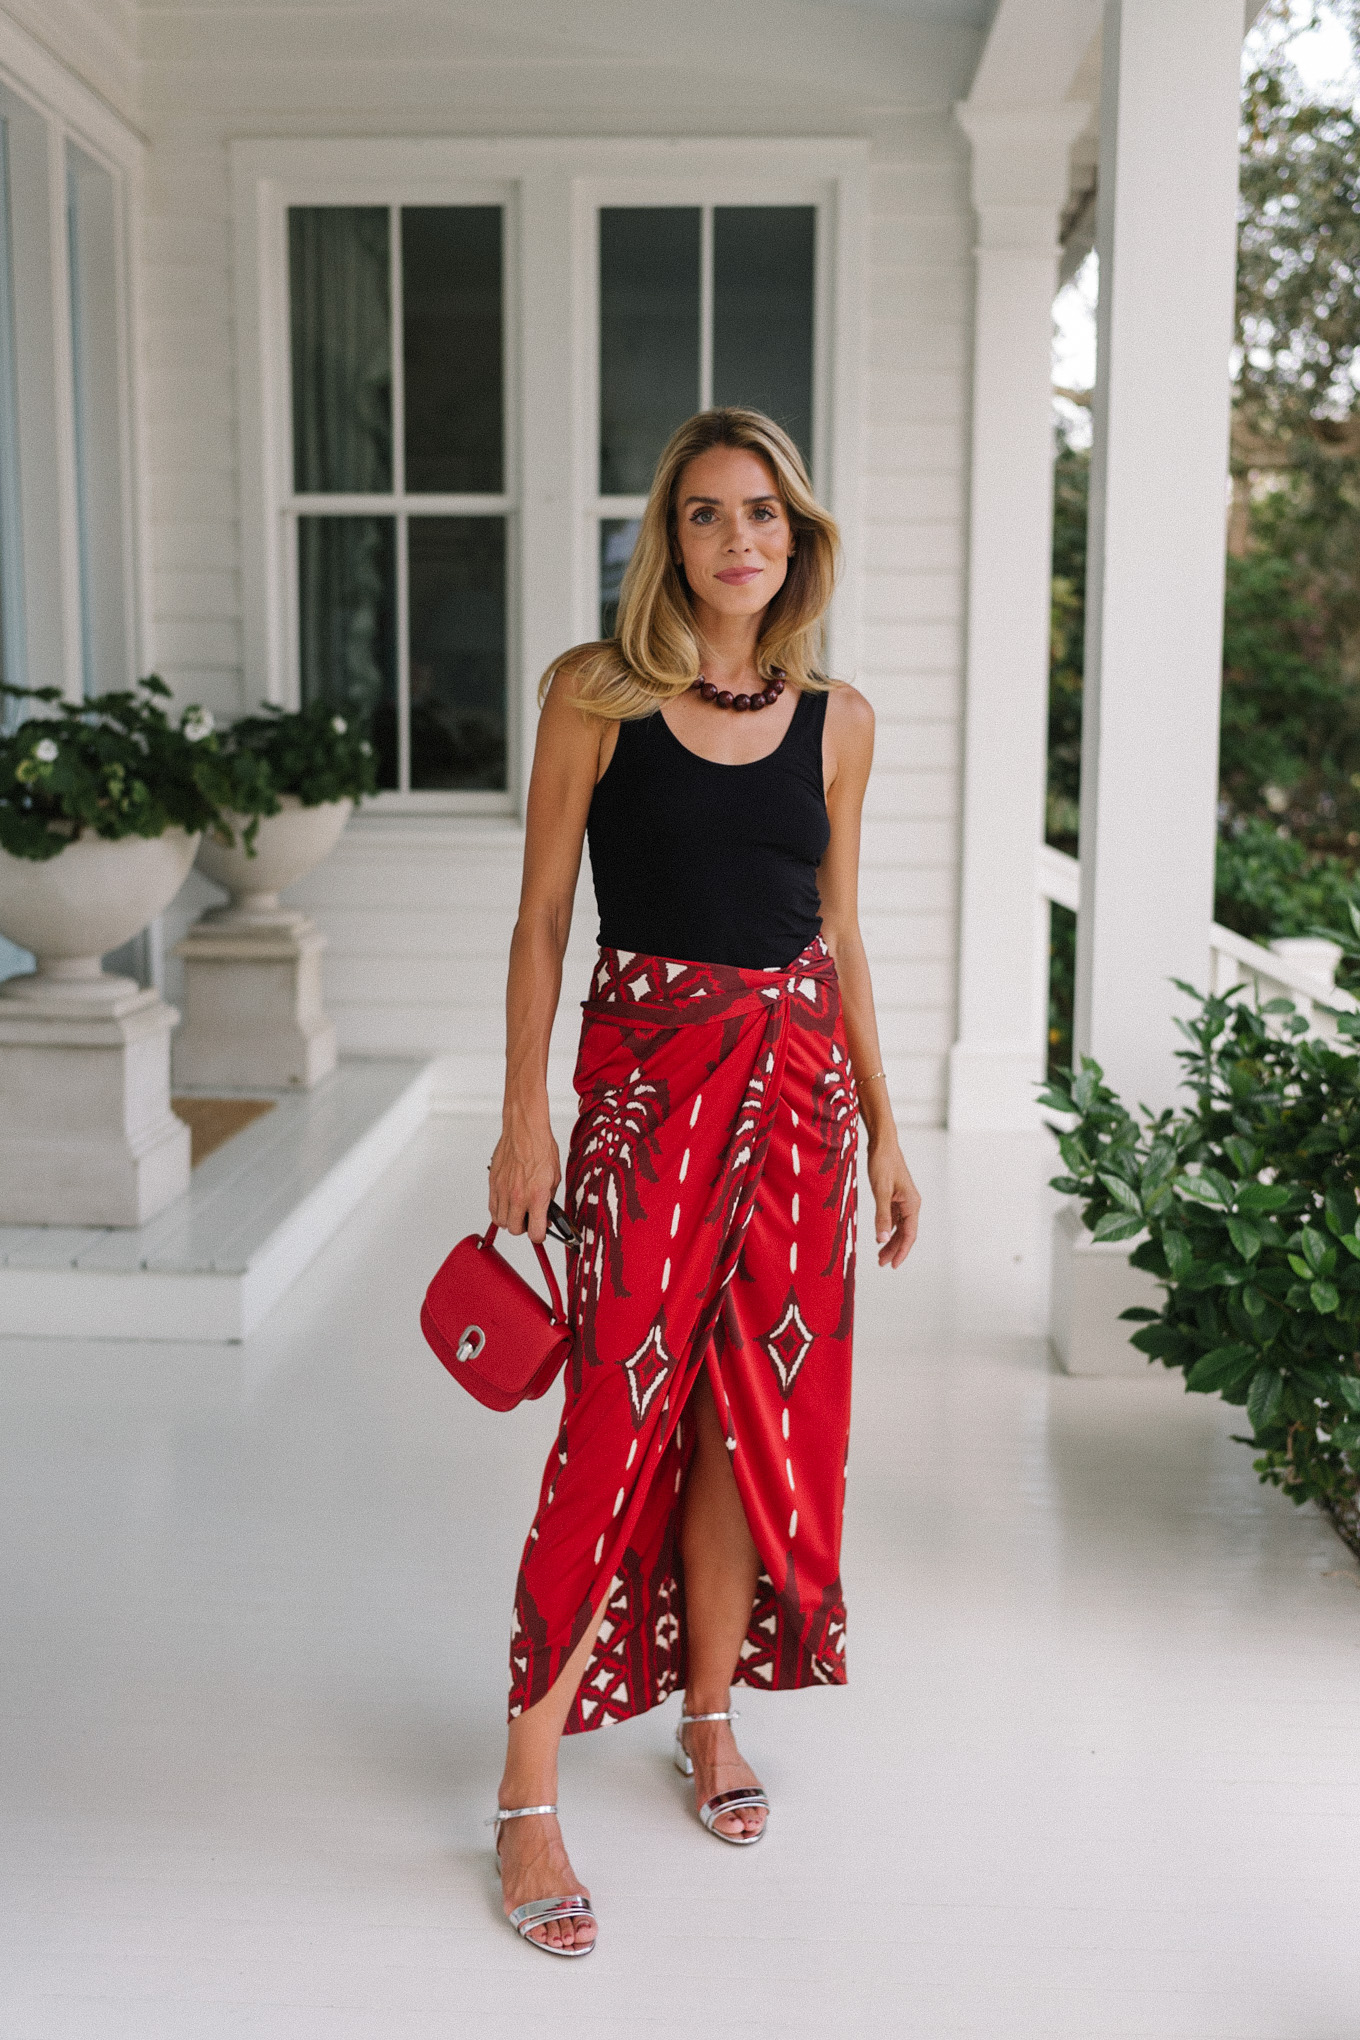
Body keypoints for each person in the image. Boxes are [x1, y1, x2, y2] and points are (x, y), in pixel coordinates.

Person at [486, 407, 920, 1955]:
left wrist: (882, 1121)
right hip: (645, 1102)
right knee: (616, 1416)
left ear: (796, 543)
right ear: (667, 538)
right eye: (706, 513)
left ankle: (713, 1715)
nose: (739, 538)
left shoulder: (841, 720)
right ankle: (528, 1790)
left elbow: (841, 931)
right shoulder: (595, 699)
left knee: (754, 1420)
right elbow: (544, 918)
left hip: (797, 1103)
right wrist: (525, 1117)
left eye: (765, 516)